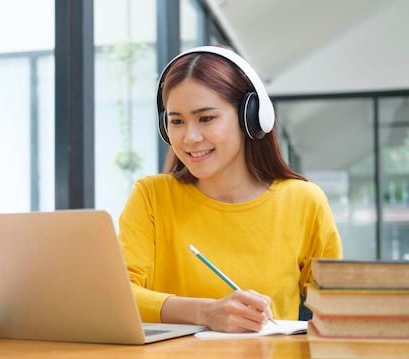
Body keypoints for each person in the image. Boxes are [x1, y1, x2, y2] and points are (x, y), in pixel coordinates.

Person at [117, 45, 343, 333]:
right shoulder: (152, 196)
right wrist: (207, 312)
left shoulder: (303, 201)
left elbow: (337, 307)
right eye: (177, 121)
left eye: (206, 118)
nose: (190, 137)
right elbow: (119, 296)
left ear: (250, 117)